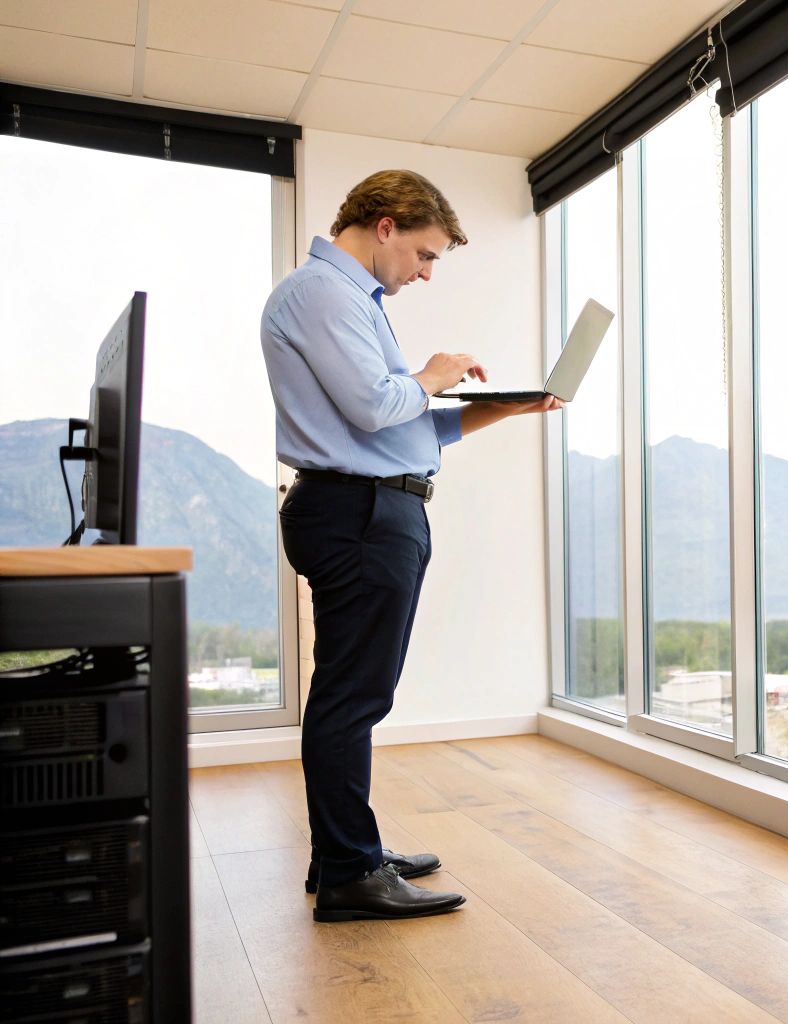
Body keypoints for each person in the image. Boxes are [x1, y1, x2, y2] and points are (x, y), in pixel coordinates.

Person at [261, 169, 560, 922]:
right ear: (386, 225)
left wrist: (509, 406)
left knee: (355, 691)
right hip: (358, 513)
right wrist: (431, 374)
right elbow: (375, 406)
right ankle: (349, 872)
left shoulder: (352, 301)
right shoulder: (322, 293)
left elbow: (411, 428)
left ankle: (345, 853)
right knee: (353, 695)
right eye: (424, 255)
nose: (425, 274)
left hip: (372, 508)